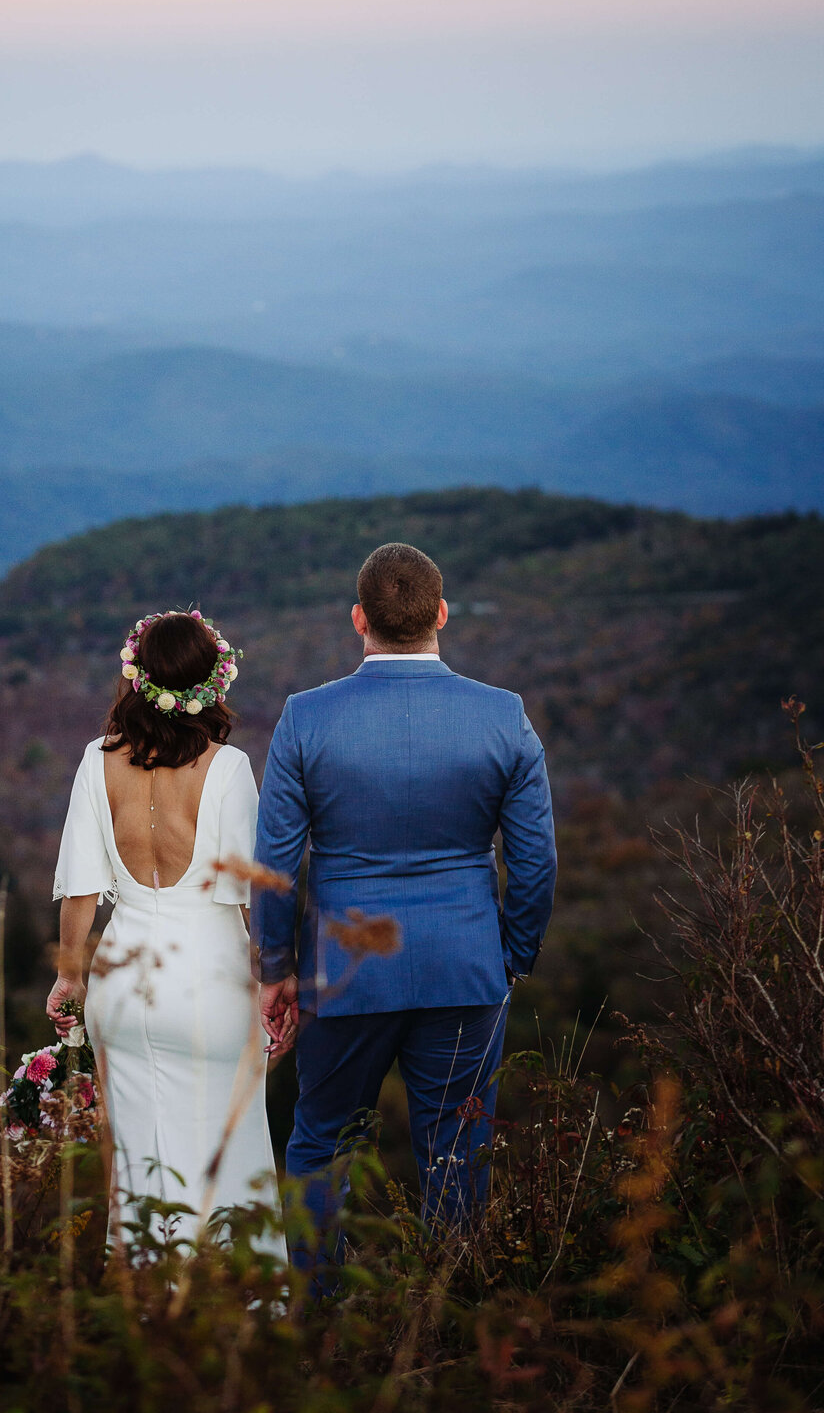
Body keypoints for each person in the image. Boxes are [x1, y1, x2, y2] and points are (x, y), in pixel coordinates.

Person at [253, 542, 557, 1283]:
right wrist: (511, 956)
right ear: (441, 615)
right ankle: (449, 1316)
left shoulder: (305, 719)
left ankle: (319, 1317)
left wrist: (276, 969)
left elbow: (275, 866)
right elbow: (536, 861)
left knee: (321, 1141)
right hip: (465, 965)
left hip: (346, 969)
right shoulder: (503, 717)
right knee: (456, 1149)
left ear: (359, 619)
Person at [47, 609, 286, 1259]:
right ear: (211, 684)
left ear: (136, 678)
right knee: (227, 1155)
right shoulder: (229, 768)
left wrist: (70, 976)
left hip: (124, 982)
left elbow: (80, 892)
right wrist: (276, 980)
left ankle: (148, 1307)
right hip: (208, 980)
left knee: (138, 1167)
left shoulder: (96, 763)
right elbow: (249, 899)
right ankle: (232, 1313)